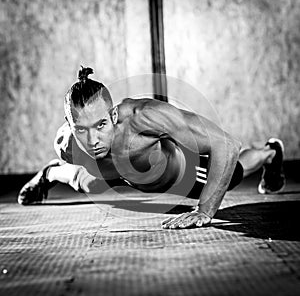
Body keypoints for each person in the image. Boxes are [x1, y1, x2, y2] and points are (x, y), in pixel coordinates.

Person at [17, 67, 285, 229]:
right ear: (70, 125)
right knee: (87, 181)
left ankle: (270, 152)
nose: (92, 140)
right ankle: (50, 172)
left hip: (174, 172)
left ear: (112, 117)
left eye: (100, 125)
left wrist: (204, 211)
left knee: (232, 175)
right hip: (120, 173)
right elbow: (82, 142)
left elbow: (226, 144)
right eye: (81, 130)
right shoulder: (66, 143)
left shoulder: (144, 118)